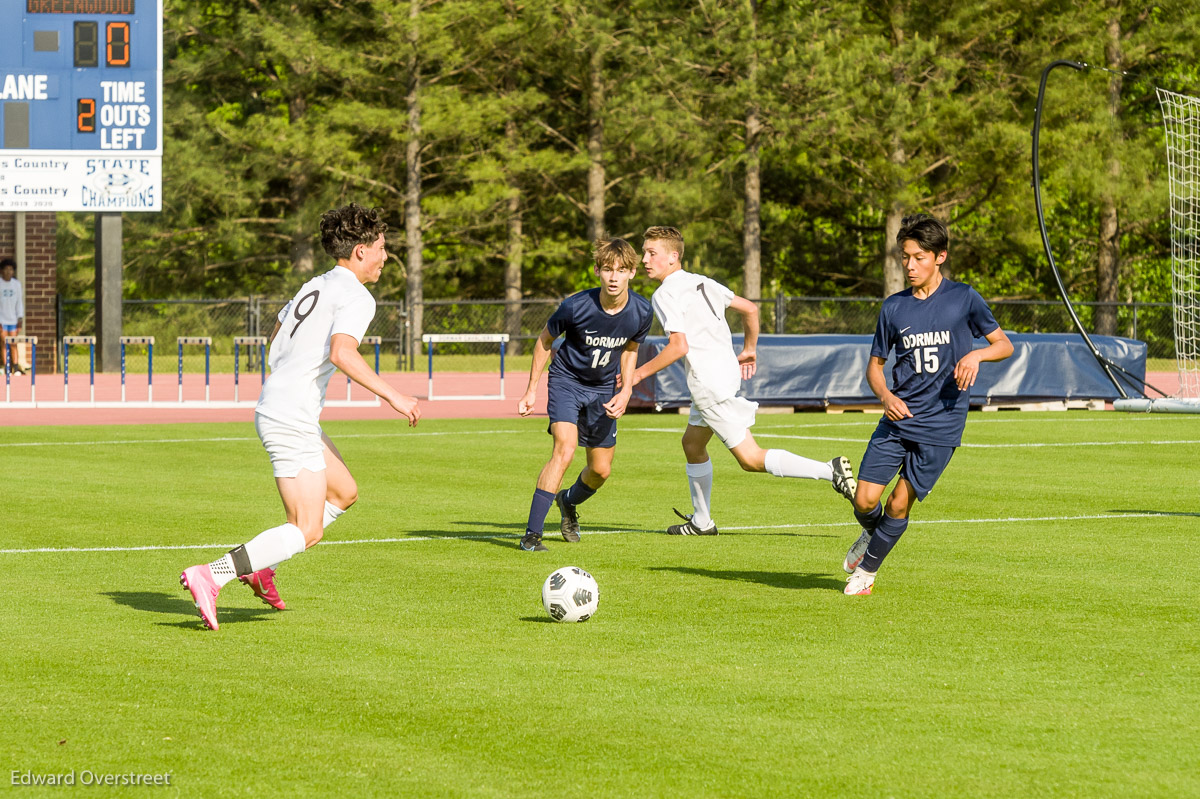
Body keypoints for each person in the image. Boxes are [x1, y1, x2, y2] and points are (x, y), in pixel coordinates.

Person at [180, 203, 421, 630]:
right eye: (382, 247)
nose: (386, 256)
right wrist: (395, 397)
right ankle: (213, 575)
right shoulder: (356, 296)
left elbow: (276, 333)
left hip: (287, 406)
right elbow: (342, 353)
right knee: (307, 529)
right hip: (289, 413)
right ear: (361, 251)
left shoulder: (318, 283)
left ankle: (261, 566)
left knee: (344, 491)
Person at [630, 226, 858, 536]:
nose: (644, 259)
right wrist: (749, 349)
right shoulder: (703, 282)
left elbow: (678, 346)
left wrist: (637, 374)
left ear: (673, 257)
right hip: (724, 376)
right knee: (692, 444)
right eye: (644, 252)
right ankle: (702, 522)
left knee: (750, 459)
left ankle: (829, 471)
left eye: (651, 253)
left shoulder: (665, 293)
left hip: (708, 384)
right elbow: (750, 309)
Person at [842, 214, 1013, 596]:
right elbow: (874, 368)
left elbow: (1004, 344)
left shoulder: (964, 298)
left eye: (918, 257)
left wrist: (976, 357)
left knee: (899, 503)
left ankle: (867, 573)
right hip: (897, 419)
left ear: (940, 257)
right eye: (905, 257)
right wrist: (885, 397)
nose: (910, 266)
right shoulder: (894, 308)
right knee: (864, 500)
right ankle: (874, 538)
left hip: (942, 424)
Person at [516, 238, 653, 551]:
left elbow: (631, 349)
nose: (614, 277)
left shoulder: (642, 311)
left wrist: (626, 390)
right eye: (607, 269)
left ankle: (568, 501)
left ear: (632, 272)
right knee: (564, 450)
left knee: (601, 470)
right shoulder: (576, 305)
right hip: (566, 381)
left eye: (621, 270)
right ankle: (531, 536)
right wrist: (531, 389)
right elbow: (543, 341)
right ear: (597, 271)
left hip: (603, 390)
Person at [0, 257, 28, 374]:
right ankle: (6, 366)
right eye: (6, 269)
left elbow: (19, 302)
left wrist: (19, 319)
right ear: (2, 270)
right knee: (3, 343)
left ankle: (15, 367)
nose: (8, 272)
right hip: (1, 319)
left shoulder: (16, 284)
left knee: (13, 343)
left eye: (11, 269)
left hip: (13, 320)